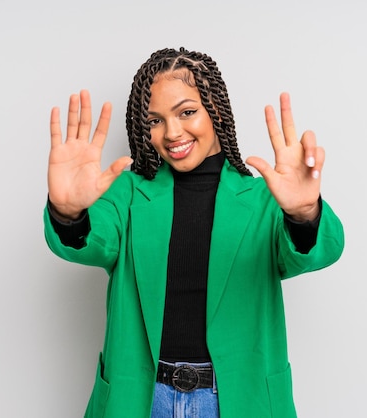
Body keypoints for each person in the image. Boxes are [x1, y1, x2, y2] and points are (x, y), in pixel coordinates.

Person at [44, 47, 344, 418]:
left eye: (187, 112)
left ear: (215, 109)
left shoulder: (264, 198)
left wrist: (303, 213)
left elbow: (318, 251)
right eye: (154, 120)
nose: (172, 132)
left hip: (238, 400)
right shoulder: (126, 193)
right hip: (141, 400)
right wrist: (68, 212)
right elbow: (91, 242)